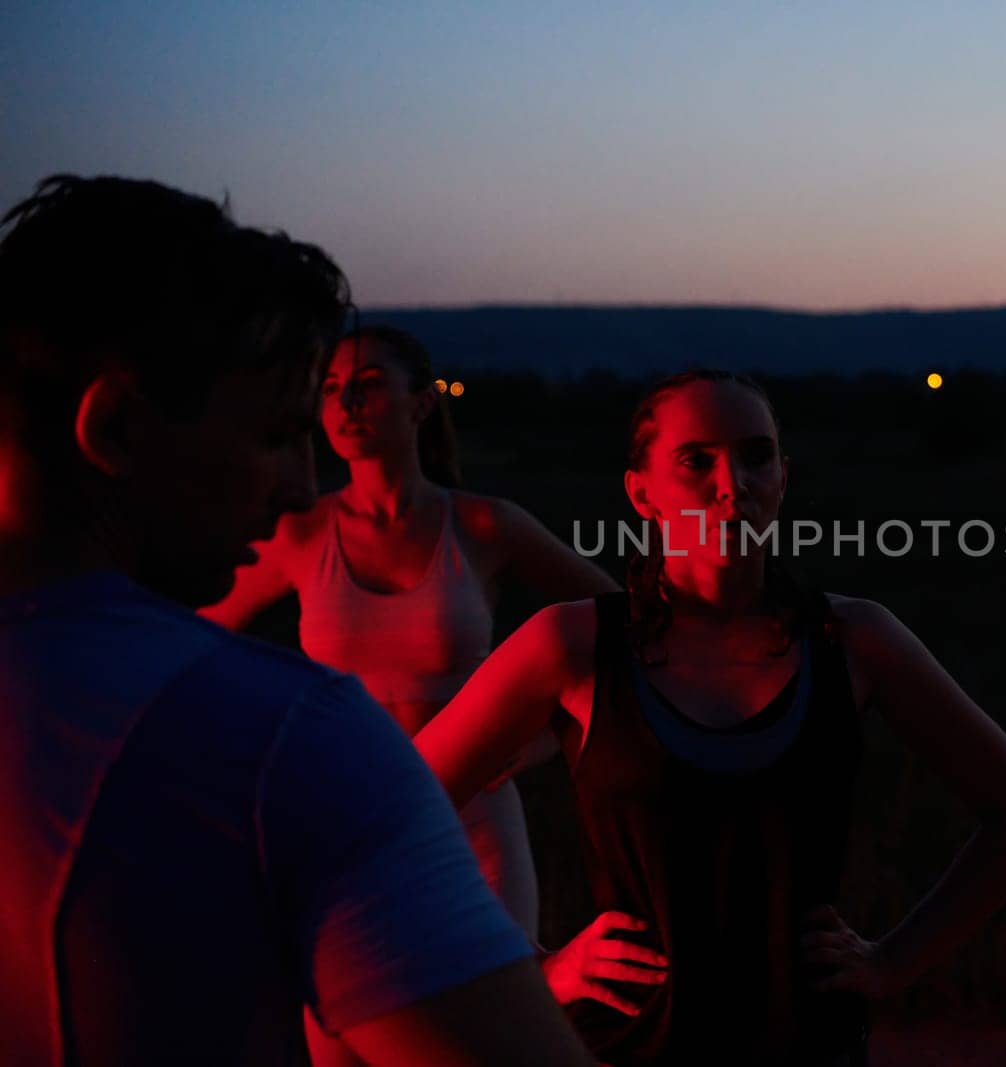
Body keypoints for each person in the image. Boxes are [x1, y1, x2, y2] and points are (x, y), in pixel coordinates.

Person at [0, 174, 593, 1066]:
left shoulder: (480, 528)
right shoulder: (290, 736)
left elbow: (614, 623)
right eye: (278, 434)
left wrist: (533, 735)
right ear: (118, 428)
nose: (296, 486)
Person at [415, 369, 1006, 1065]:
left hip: (808, 1043)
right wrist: (535, 967)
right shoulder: (571, 644)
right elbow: (385, 814)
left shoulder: (852, 640)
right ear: (640, 492)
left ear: (783, 477)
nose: (732, 483)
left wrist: (893, 961)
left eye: (756, 455)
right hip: (629, 1048)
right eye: (697, 460)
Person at [202, 323, 616, 950]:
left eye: (368, 385)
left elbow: (622, 626)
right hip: (342, 815)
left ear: (421, 403)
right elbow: (194, 638)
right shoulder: (303, 534)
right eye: (332, 388)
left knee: (499, 1033)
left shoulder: (483, 524)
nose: (346, 405)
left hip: (475, 822)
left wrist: (547, 741)